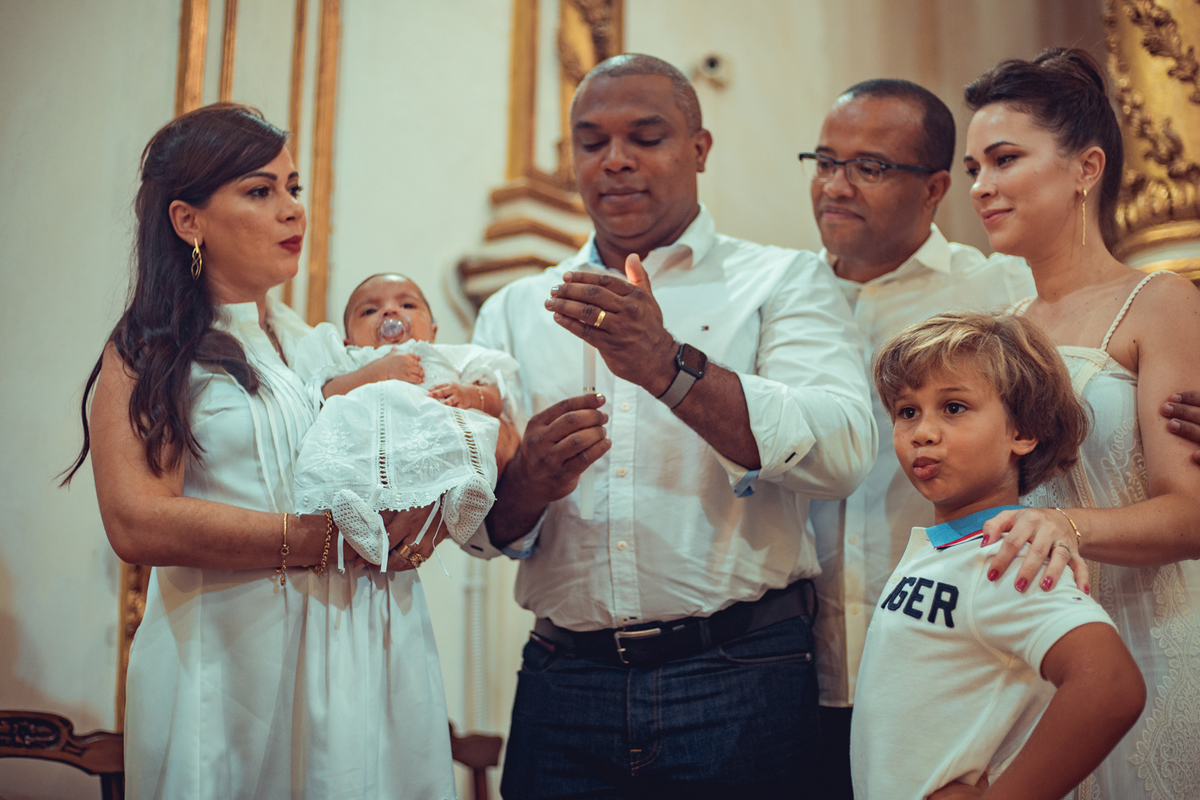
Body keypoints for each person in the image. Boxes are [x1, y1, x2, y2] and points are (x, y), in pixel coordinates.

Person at [466, 53, 875, 798]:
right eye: (592, 142)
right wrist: (526, 483)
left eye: (645, 138)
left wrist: (668, 367)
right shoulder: (516, 310)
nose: (616, 161)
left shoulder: (781, 280)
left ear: (699, 149)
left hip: (741, 672)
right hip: (564, 683)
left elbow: (843, 451)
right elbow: (482, 527)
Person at [62, 104, 455, 799]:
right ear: (189, 221)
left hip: (360, 652)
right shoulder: (151, 350)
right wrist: (317, 541)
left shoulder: (318, 345)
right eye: (259, 191)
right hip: (230, 667)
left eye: (293, 188)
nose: (292, 212)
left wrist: (420, 516)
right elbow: (135, 521)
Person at [963, 48, 1200, 799]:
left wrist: (1069, 528)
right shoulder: (998, 330)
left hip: (1155, 635)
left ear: (1085, 168)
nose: (981, 186)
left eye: (1004, 159)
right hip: (1033, 653)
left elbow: (1192, 512)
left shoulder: (1159, 304)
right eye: (973, 167)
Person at [801, 79, 1037, 799]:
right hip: (792, 670)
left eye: (868, 167)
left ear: (935, 188)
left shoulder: (1001, 290)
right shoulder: (788, 296)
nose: (835, 186)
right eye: (824, 161)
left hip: (955, 662)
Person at [852, 310, 1144, 800]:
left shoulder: (1008, 559)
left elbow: (1111, 685)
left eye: (954, 408)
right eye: (908, 411)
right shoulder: (942, 550)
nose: (923, 431)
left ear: (1022, 431)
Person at [291, 273, 520, 568]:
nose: (389, 312)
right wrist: (375, 371)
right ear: (349, 340)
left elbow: (495, 396)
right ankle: (359, 520)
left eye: (408, 305)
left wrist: (471, 394)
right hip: (369, 451)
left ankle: (461, 499)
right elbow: (324, 394)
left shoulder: (447, 356)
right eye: (370, 310)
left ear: (433, 331)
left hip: (431, 443)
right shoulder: (353, 361)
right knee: (345, 465)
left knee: (468, 441)